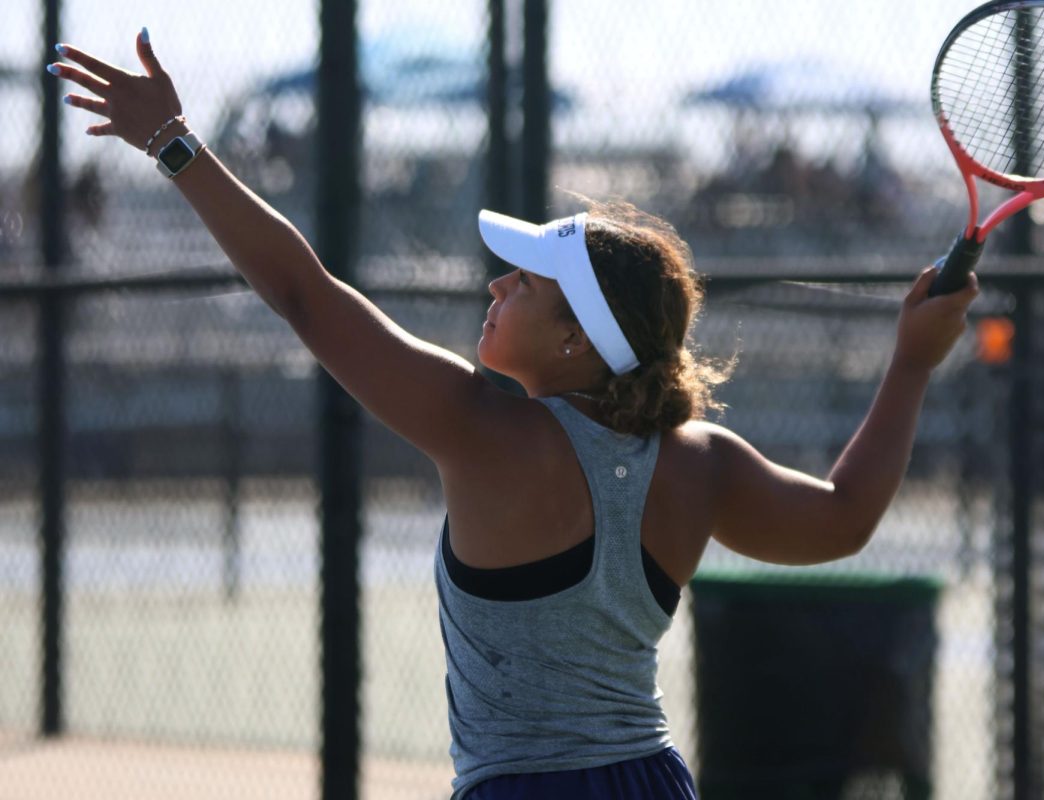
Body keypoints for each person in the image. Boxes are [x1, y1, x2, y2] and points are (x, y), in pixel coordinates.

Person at [49, 31, 979, 800]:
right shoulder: (700, 463)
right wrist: (910, 361)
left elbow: (302, 290)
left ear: (577, 339)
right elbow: (845, 514)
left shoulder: (483, 428)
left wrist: (174, 141)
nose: (498, 282)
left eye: (526, 281)